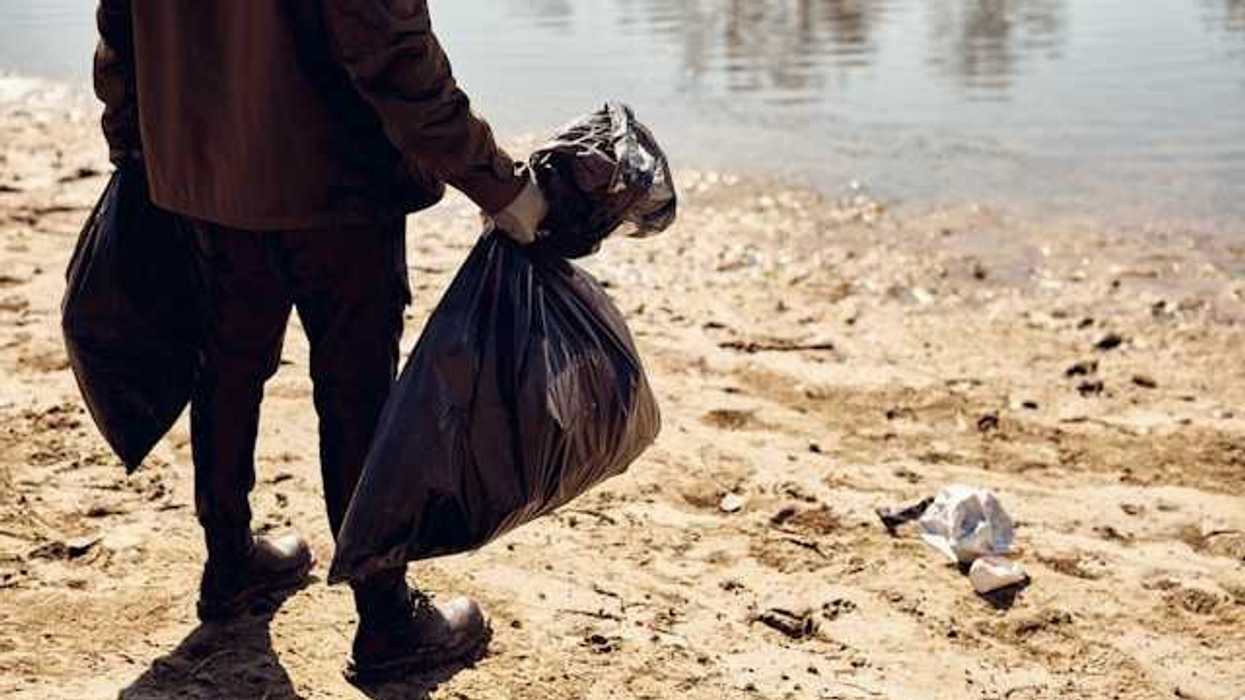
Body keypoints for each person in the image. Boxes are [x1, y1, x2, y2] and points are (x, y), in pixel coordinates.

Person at [93, 0, 548, 682]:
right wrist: (500, 186)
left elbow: (120, 28)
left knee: (226, 362)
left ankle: (229, 565)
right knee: (355, 391)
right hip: (337, 185)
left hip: (204, 169)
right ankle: (386, 618)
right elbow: (394, 56)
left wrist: (135, 144)